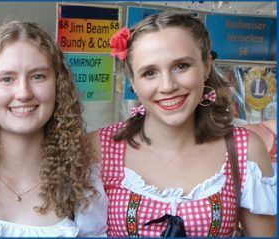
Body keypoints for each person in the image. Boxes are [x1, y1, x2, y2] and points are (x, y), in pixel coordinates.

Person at [92, 12, 275, 237]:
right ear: (133, 82)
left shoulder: (244, 149)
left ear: (206, 66)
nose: (168, 86)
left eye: (181, 66)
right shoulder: (98, 148)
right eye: (150, 73)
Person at [0, 21, 107, 237]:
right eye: (7, 79)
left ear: (58, 86)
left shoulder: (83, 180)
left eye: (38, 76)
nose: (23, 93)